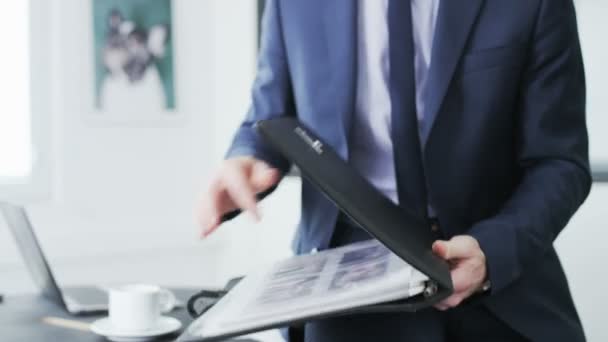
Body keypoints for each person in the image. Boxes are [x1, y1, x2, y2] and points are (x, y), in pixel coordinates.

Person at [199, 0, 590, 341]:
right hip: (345, 292)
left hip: (498, 288)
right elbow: (268, 113)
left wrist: (491, 251)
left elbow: (559, 162)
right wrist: (249, 155)